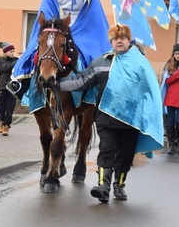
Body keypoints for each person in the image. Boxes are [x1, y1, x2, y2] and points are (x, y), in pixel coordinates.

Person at [56, 24, 163, 203]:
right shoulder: (102, 62)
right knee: (106, 150)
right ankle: (103, 187)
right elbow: (81, 81)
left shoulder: (140, 64)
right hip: (106, 117)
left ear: (129, 40)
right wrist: (57, 85)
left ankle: (119, 186)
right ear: (111, 42)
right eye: (115, 38)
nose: (119, 41)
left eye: (122, 38)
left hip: (131, 120)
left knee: (125, 155)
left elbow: (150, 91)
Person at [8, 0, 110, 98]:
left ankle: (96, 90)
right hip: (58, 25)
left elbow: (93, 13)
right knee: (37, 48)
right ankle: (20, 84)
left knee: (93, 54)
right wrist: (53, 25)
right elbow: (48, 7)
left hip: (83, 27)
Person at [0, 42, 18, 135]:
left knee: (10, 108)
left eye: (13, 51)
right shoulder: (1, 61)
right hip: (4, 87)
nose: (12, 53)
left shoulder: (16, 60)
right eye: (10, 51)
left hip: (12, 87)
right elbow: (5, 68)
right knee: (2, 107)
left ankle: (6, 126)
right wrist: (16, 62)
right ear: (5, 52)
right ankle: (1, 120)